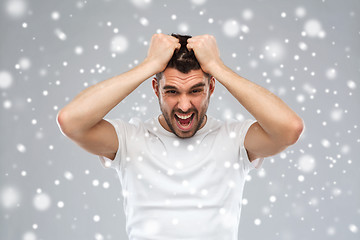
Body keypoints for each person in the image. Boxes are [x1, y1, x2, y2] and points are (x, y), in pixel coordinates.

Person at [57, 33, 303, 240]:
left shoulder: (235, 139)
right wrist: (149, 66)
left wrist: (217, 67)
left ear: (212, 87)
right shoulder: (131, 139)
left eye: (196, 90)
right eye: (172, 91)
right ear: (156, 89)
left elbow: (289, 129)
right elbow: (71, 122)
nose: (184, 106)